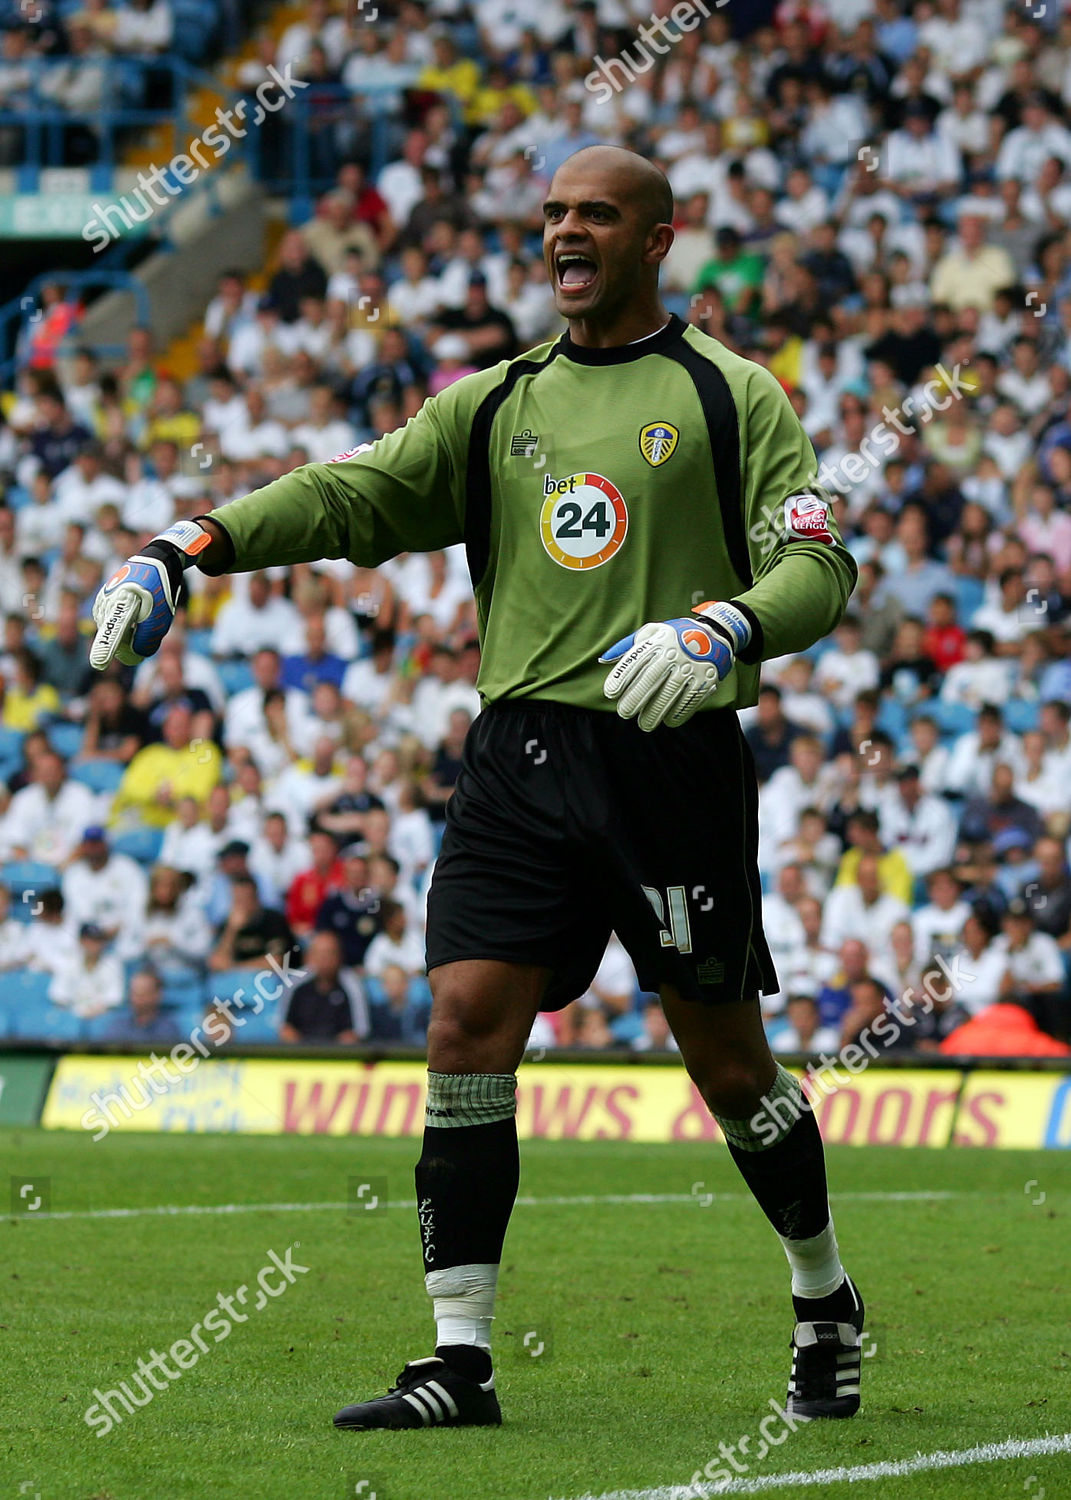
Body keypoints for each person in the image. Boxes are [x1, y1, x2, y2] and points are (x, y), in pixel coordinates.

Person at [90, 147, 861, 1430]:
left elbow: (821, 569)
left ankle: (822, 1293)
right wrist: (190, 544)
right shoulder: (497, 403)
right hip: (519, 758)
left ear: (658, 239)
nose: (567, 231)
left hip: (672, 763)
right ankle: (459, 1359)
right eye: (554, 212)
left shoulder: (733, 397)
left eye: (596, 215)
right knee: (463, 1026)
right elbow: (349, 495)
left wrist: (724, 628)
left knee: (729, 1068)